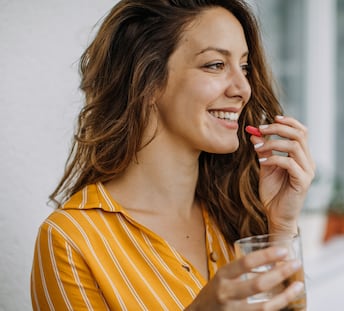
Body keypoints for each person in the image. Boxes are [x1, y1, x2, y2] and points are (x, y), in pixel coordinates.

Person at [30, 0, 315, 310]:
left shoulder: (236, 211)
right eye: (216, 64)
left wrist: (282, 227)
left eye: (244, 67)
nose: (243, 88)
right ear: (148, 81)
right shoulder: (71, 240)